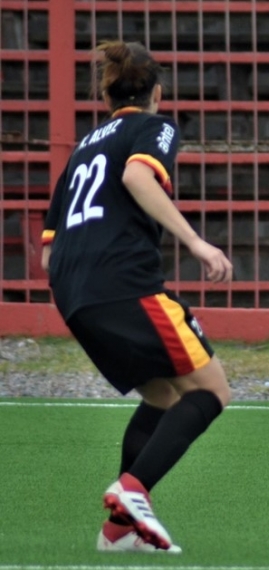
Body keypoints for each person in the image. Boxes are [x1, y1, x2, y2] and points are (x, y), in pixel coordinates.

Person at [40, 40, 234, 552]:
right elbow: (136, 175)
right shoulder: (154, 126)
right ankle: (131, 492)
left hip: (73, 295)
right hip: (123, 283)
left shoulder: (82, 148)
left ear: (106, 96)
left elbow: (47, 255)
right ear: (157, 93)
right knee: (211, 391)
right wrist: (195, 242)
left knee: (164, 397)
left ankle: (119, 531)